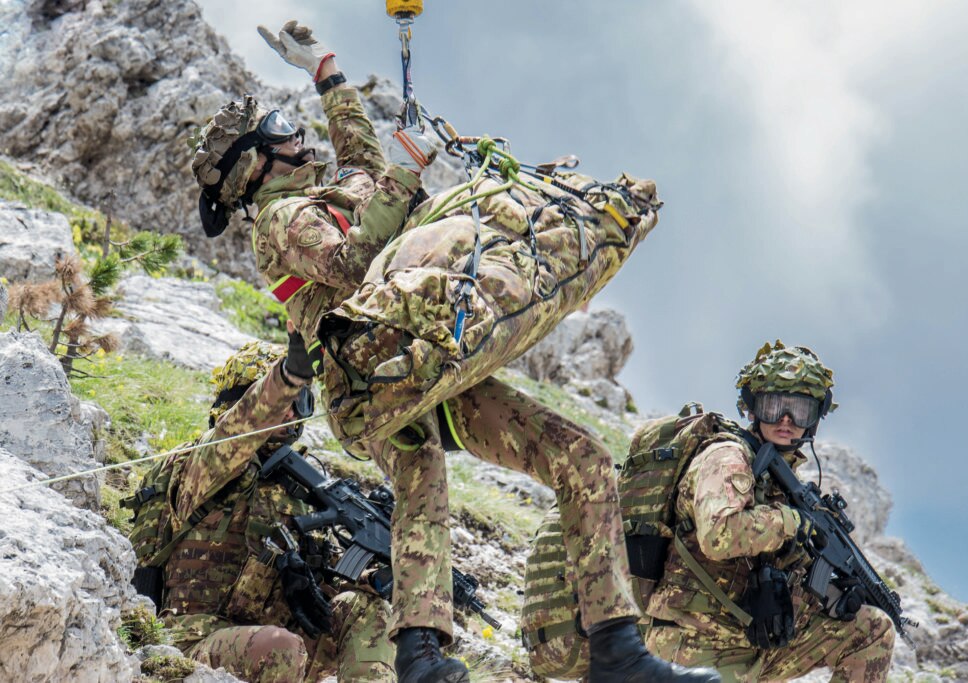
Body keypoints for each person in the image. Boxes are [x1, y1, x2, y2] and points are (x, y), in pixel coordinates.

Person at [190, 20, 720, 683]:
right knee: (421, 470)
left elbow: (357, 155)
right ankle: (420, 653)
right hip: (374, 374)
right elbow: (354, 263)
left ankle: (614, 647)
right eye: (276, 130)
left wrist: (326, 72)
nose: (293, 135)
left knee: (579, 454)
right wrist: (406, 170)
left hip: (423, 350)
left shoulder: (331, 195)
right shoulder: (282, 223)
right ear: (254, 164)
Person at [643, 341, 896, 682]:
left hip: (749, 645)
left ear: (814, 420)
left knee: (871, 629)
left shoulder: (782, 484)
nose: (787, 420)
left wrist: (838, 593)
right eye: (775, 405)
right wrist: (792, 522)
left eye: (800, 410)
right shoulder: (728, 457)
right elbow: (719, 536)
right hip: (693, 646)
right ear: (752, 408)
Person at [156, 329, 395, 683]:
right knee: (279, 645)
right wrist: (287, 377)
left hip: (279, 644)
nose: (292, 414)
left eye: (301, 404)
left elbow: (324, 582)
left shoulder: (298, 490)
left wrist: (373, 580)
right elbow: (237, 431)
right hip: (193, 639)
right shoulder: (201, 466)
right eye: (285, 401)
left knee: (367, 610)